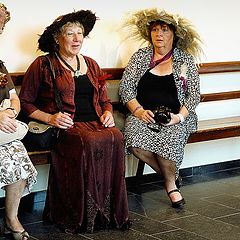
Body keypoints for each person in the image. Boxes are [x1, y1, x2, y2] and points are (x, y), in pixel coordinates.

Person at [19, 10, 130, 233]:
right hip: (66, 127)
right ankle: (81, 214)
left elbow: (105, 99)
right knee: (87, 141)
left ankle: (107, 212)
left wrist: (107, 112)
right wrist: (51, 117)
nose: (77, 38)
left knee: (116, 136)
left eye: (80, 33)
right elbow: (26, 103)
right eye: (70, 34)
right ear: (57, 39)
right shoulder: (43, 64)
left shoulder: (92, 64)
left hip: (95, 122)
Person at [119, 8, 203, 209]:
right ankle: (172, 178)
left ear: (174, 34)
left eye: (165, 30)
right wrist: (138, 111)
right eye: (155, 30)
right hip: (143, 115)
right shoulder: (141, 57)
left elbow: (194, 95)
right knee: (133, 140)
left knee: (170, 141)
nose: (159, 34)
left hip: (177, 116)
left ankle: (169, 184)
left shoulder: (184, 60)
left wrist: (179, 118)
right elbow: (126, 88)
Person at [0, 3, 37, 240]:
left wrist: (12, 112)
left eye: (1, 25)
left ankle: (11, 217)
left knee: (19, 156)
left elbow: (15, 99)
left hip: (2, 130)